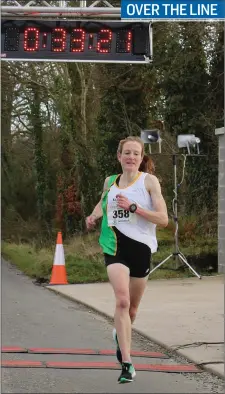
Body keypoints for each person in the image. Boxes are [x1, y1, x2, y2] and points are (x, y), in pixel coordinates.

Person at [86, 136, 168, 384]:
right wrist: (92, 216)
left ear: (141, 158)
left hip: (141, 248)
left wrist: (135, 208)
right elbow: (104, 204)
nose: (131, 157)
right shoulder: (110, 182)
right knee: (122, 301)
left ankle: (119, 335)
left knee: (132, 309)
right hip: (114, 246)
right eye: (127, 153)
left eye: (136, 154)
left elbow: (163, 219)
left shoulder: (149, 182)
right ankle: (127, 363)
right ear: (119, 156)